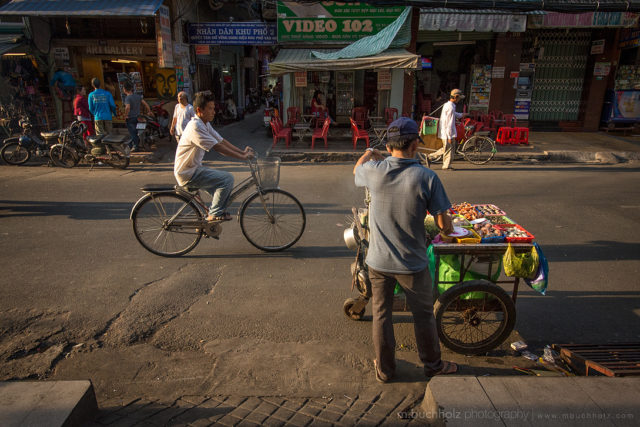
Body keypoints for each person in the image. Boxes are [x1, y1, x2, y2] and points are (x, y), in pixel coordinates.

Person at [353, 117, 458, 383]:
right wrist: (448, 228)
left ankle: (385, 371)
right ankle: (433, 366)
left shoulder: (374, 170)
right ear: (415, 145)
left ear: (389, 147)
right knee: (423, 316)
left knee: (382, 314)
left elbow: (357, 170)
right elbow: (444, 225)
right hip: (413, 264)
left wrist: (369, 152)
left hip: (377, 262)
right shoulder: (427, 177)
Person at [174, 92, 254, 222]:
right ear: (199, 110)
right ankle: (214, 214)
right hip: (188, 173)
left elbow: (221, 141)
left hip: (194, 169)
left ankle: (215, 212)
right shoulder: (196, 127)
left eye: (213, 108)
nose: (214, 112)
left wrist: (242, 152)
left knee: (223, 191)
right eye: (210, 108)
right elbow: (218, 148)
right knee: (227, 179)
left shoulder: (204, 123)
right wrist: (243, 157)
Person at [433, 88, 466, 170]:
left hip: (446, 131)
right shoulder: (450, 107)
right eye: (459, 98)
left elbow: (454, 115)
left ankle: (446, 164)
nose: (459, 100)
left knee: (448, 149)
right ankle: (442, 164)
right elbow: (449, 123)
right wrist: (449, 136)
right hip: (447, 132)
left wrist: (462, 114)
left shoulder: (449, 105)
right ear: (456, 97)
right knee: (448, 149)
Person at [123, 81, 150, 152]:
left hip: (131, 118)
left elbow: (127, 107)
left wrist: (125, 115)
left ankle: (136, 146)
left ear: (125, 89)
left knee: (133, 133)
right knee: (136, 132)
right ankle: (133, 144)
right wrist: (149, 111)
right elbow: (145, 104)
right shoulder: (137, 96)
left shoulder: (128, 98)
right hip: (138, 117)